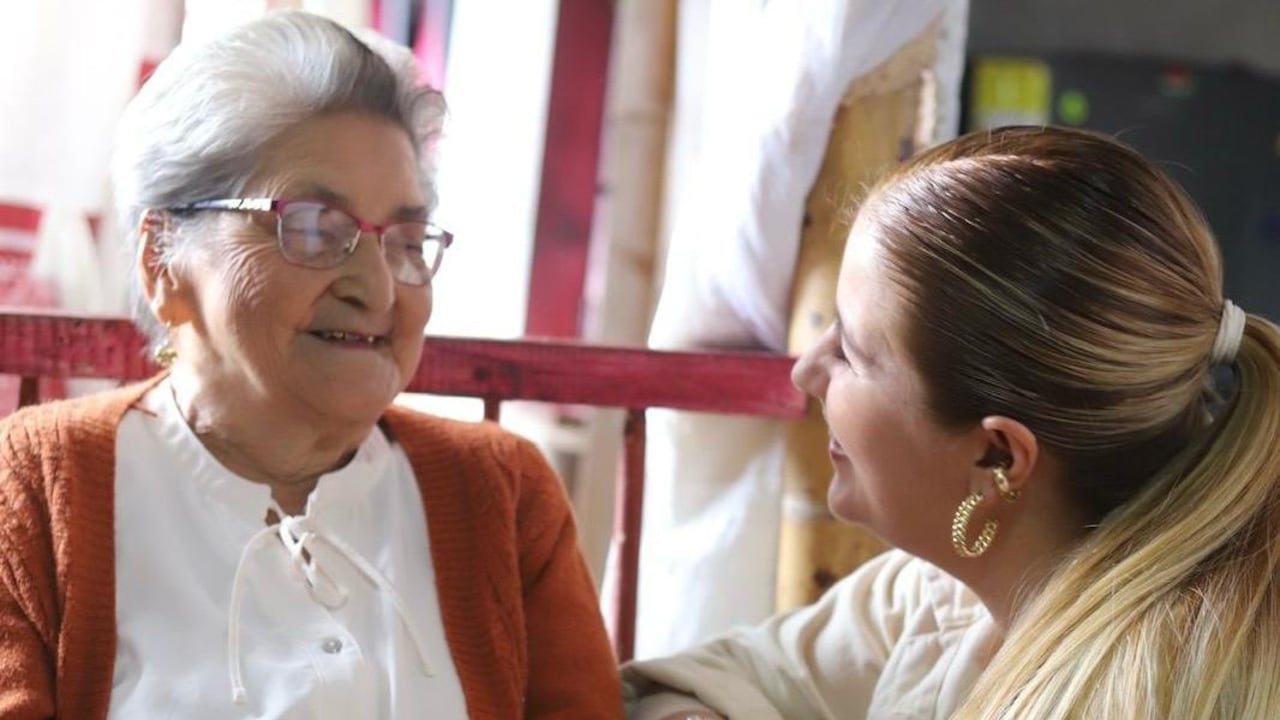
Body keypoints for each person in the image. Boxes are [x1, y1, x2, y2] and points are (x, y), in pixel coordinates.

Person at [0, 11, 622, 719]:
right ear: (161, 259)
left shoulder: (504, 495)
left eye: (407, 241)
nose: (379, 289)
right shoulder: (32, 491)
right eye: (313, 229)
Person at [623, 125, 1280, 719]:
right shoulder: (954, 592)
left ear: (996, 455)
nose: (807, 373)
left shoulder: (1140, 694)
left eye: (849, 350)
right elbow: (743, 675)